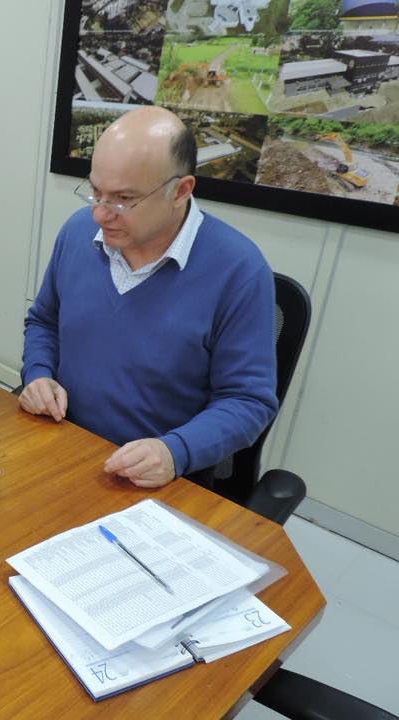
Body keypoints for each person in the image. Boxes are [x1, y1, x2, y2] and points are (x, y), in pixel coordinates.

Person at [20, 106, 277, 488]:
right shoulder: (77, 234)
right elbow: (44, 321)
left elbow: (248, 401)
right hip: (61, 441)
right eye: (95, 192)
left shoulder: (238, 269)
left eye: (123, 199)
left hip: (148, 477)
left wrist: (174, 451)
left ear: (181, 190)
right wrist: (38, 374)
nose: (99, 215)